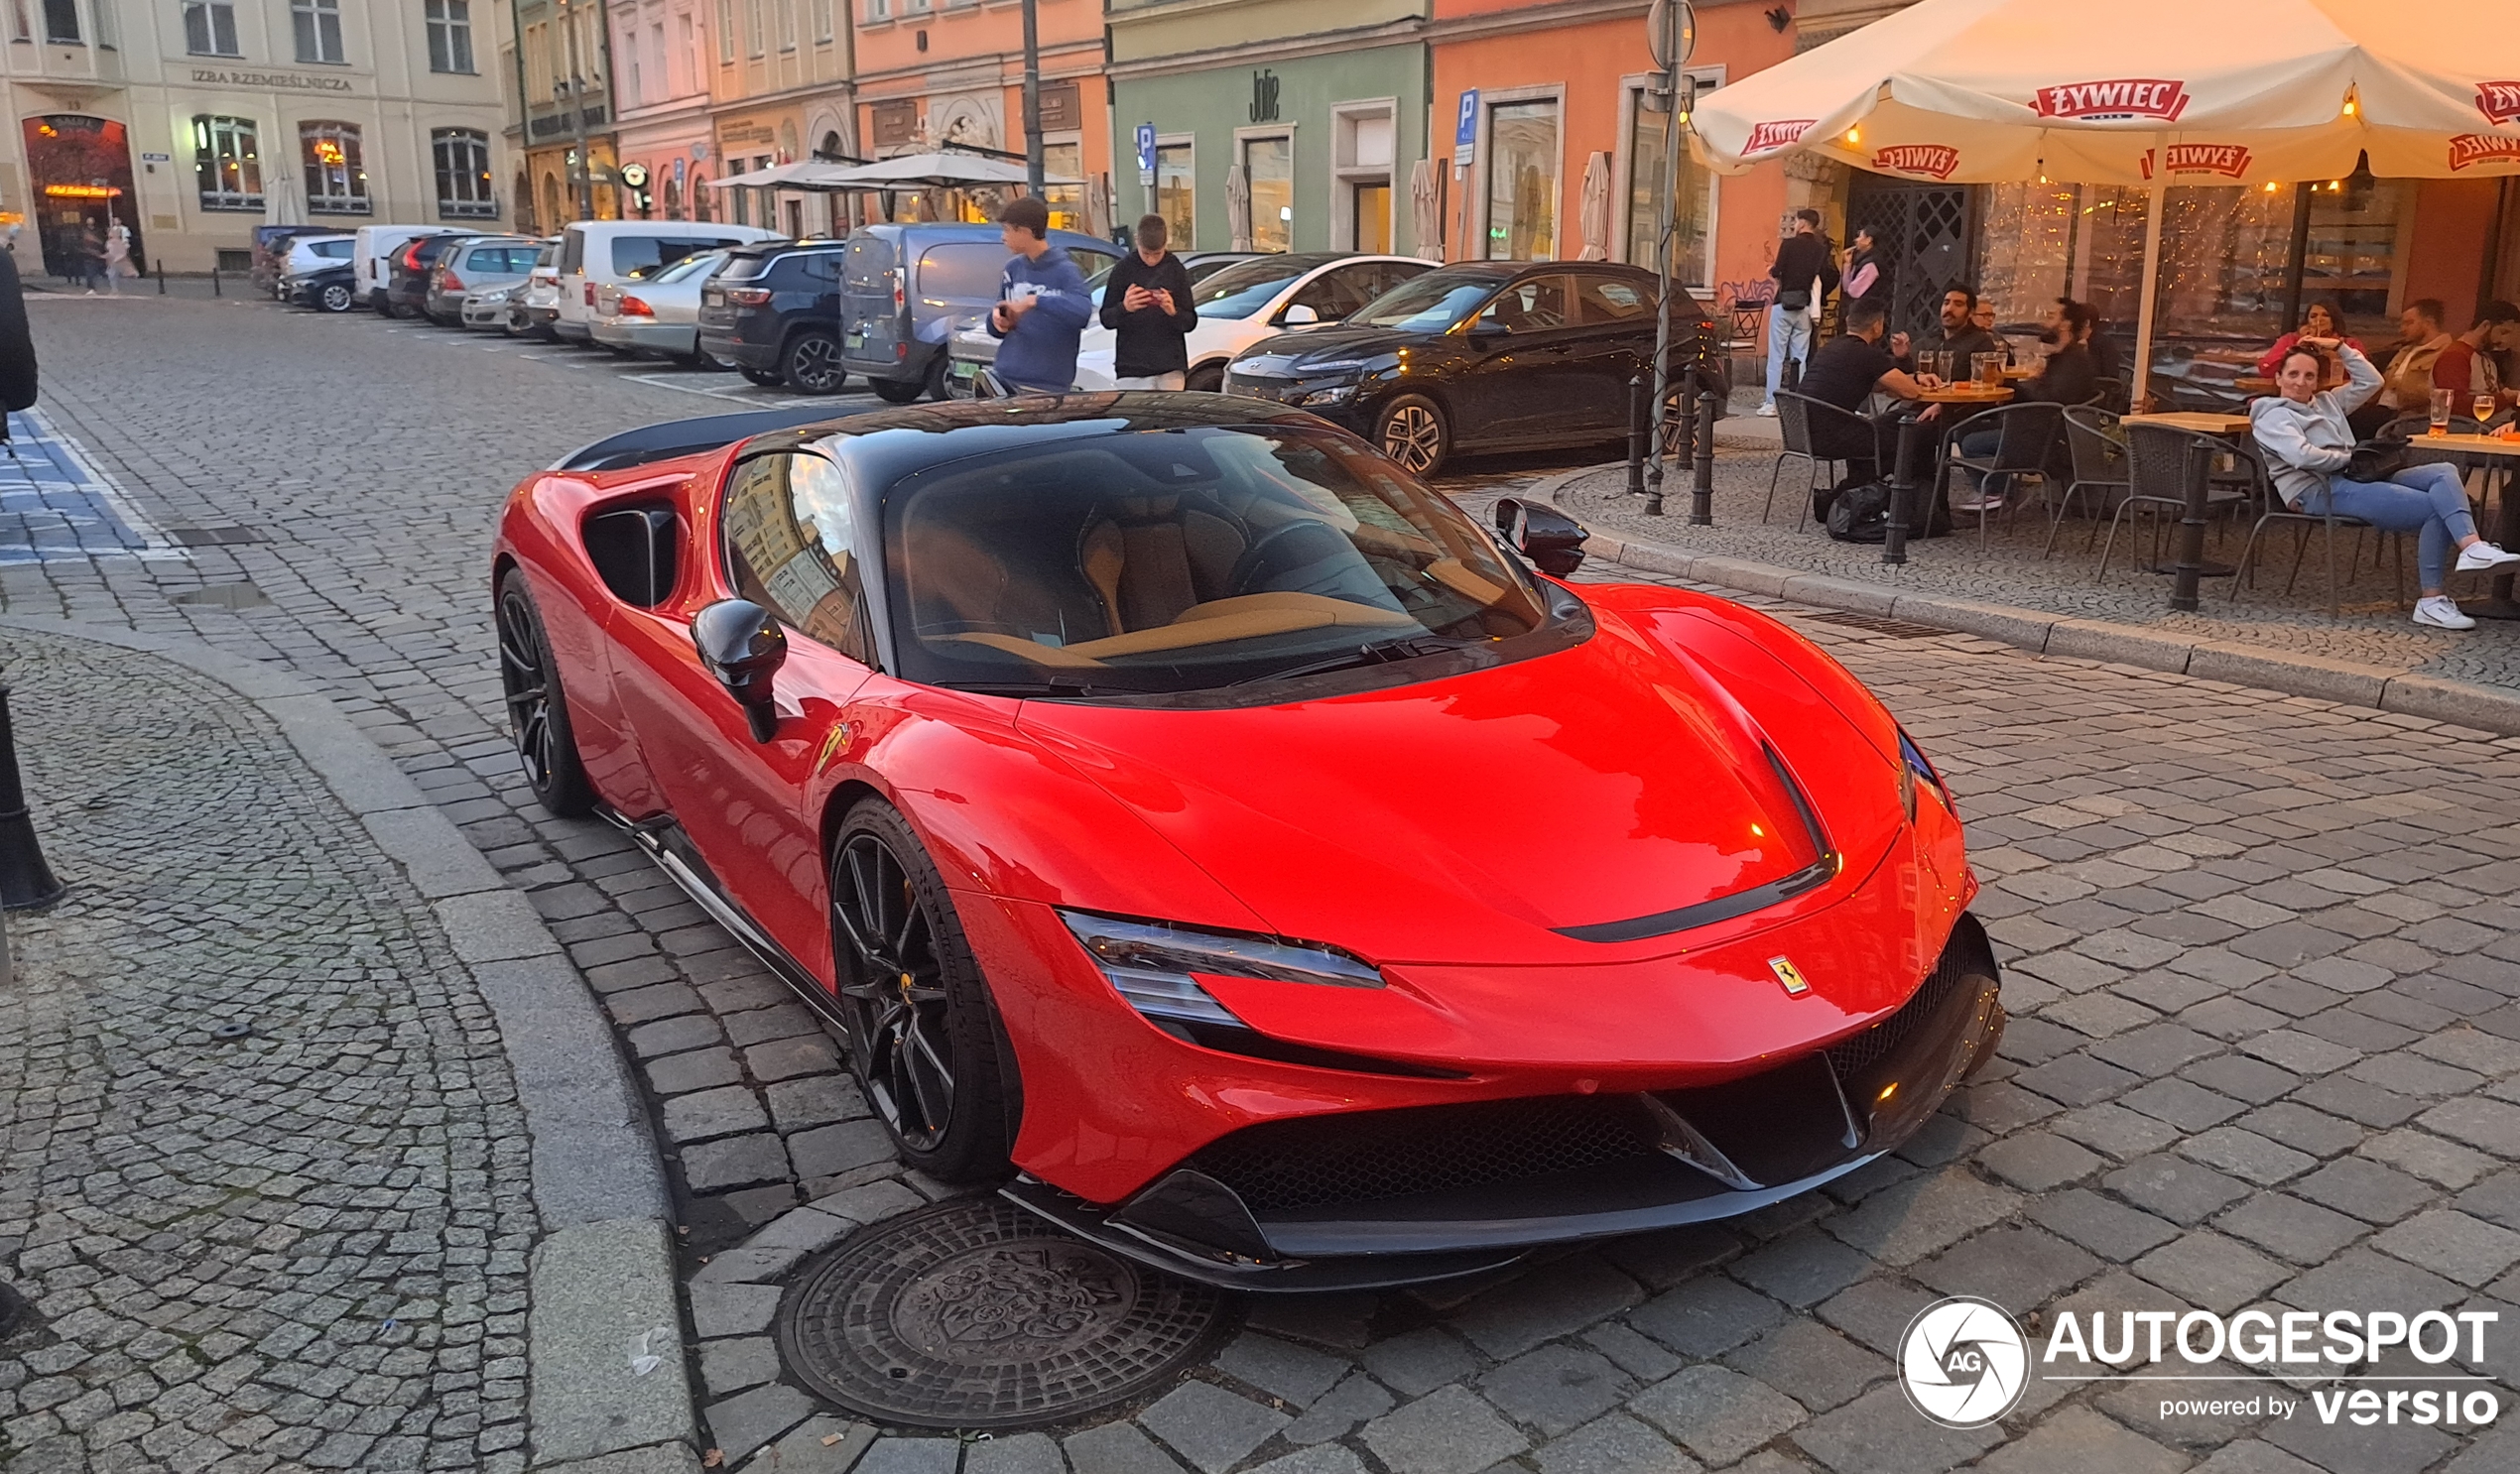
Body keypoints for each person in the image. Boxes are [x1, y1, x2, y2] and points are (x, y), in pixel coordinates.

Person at [2252, 338, 2520, 630]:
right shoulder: (2273, 414)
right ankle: (2432, 600)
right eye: (2293, 374)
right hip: (2315, 490)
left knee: (2443, 471)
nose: (2301, 383)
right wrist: (2347, 459)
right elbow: (2300, 455)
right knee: (2434, 507)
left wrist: (2339, 346)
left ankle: (2472, 546)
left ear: (2317, 381)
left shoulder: (2327, 402)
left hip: (2357, 474)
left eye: (2309, 376)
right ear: (2278, 377)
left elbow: (2372, 380)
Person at [1948, 300, 2098, 513]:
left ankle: (2001, 493)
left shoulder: (2074, 361)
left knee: (1972, 443)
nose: (2043, 321)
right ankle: (2000, 490)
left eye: (2050, 316)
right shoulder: (2062, 358)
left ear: (2065, 324)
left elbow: (2050, 401)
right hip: (2032, 426)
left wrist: (2011, 385)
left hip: (2048, 438)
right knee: (1964, 430)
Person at [1798, 296, 1939, 496]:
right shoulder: (1866, 354)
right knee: (1917, 434)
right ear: (1877, 326)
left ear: (1848, 321)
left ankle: (1850, 491)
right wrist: (1914, 378)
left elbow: (1877, 385)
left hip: (1806, 433)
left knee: (1894, 419)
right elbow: (1911, 392)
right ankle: (1916, 501)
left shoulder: (1831, 348)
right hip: (1834, 437)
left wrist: (1909, 369)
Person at [985, 195, 1093, 395]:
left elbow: (1083, 311)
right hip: (1004, 376)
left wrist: (1036, 301)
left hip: (1046, 384)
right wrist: (999, 321)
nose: (1003, 237)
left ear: (1025, 231)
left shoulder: (1065, 270)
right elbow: (995, 321)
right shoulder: (1013, 269)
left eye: (1007, 229)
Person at [1099, 213, 1198, 391]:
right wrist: (1125, 307)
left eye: (1157, 254)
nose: (1152, 260)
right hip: (1132, 368)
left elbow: (1190, 321)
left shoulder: (1175, 268)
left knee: (1169, 417)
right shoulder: (1123, 269)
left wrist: (1172, 311)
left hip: (1169, 367)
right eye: (1146, 253)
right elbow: (1106, 319)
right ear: (1137, 241)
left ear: (1166, 244)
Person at [1758, 208, 1837, 417]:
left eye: (1796, 221)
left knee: (1776, 356)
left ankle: (1771, 402)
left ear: (1802, 223)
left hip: (1783, 304)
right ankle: (1799, 401)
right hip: (1805, 307)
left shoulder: (1790, 244)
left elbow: (1778, 271)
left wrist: (1770, 271)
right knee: (1800, 357)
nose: (1794, 225)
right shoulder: (1819, 249)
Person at [2353, 299, 2453, 437]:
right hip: (2378, 409)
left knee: (2352, 421)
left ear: (2428, 323)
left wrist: (2397, 386)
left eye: (2408, 323)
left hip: (2406, 414)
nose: (2402, 329)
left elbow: (2439, 393)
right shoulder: (2404, 351)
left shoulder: (2446, 353)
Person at [2432, 300, 2519, 412]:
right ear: (2486, 325)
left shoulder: (2486, 357)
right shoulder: (2455, 356)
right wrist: (2504, 398)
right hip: (2466, 425)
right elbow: (2456, 405)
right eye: (2503, 332)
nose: (2505, 341)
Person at [1897, 288, 2003, 377]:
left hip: (1957, 401)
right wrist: (1902, 357)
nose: (1949, 308)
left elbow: (1984, 386)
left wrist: (1943, 403)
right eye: (1946, 303)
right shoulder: (1928, 340)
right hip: (1922, 399)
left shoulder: (1981, 342)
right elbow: (1908, 376)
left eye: (1958, 304)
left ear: (1971, 312)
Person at [2257, 300, 2361, 377]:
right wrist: (2297, 348)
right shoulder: (2290, 339)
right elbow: (2267, 369)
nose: (2319, 320)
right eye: (2313, 316)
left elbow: (2362, 375)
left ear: (2334, 320)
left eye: (2325, 315)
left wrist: (2334, 356)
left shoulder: (2350, 344)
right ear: (2307, 321)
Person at [1842, 225, 1892, 311]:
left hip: (1865, 313)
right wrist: (1847, 264)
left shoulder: (1871, 264)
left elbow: (1853, 291)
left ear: (1868, 240)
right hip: (1861, 311)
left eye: (1860, 236)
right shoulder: (1861, 260)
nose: (1856, 240)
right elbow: (1847, 288)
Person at [100, 220, 129, 298]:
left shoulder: (116, 242)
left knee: (113, 275)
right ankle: (114, 289)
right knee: (112, 275)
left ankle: (115, 289)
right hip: (112, 261)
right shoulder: (110, 242)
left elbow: (120, 252)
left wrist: (116, 257)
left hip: (116, 261)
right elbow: (110, 252)